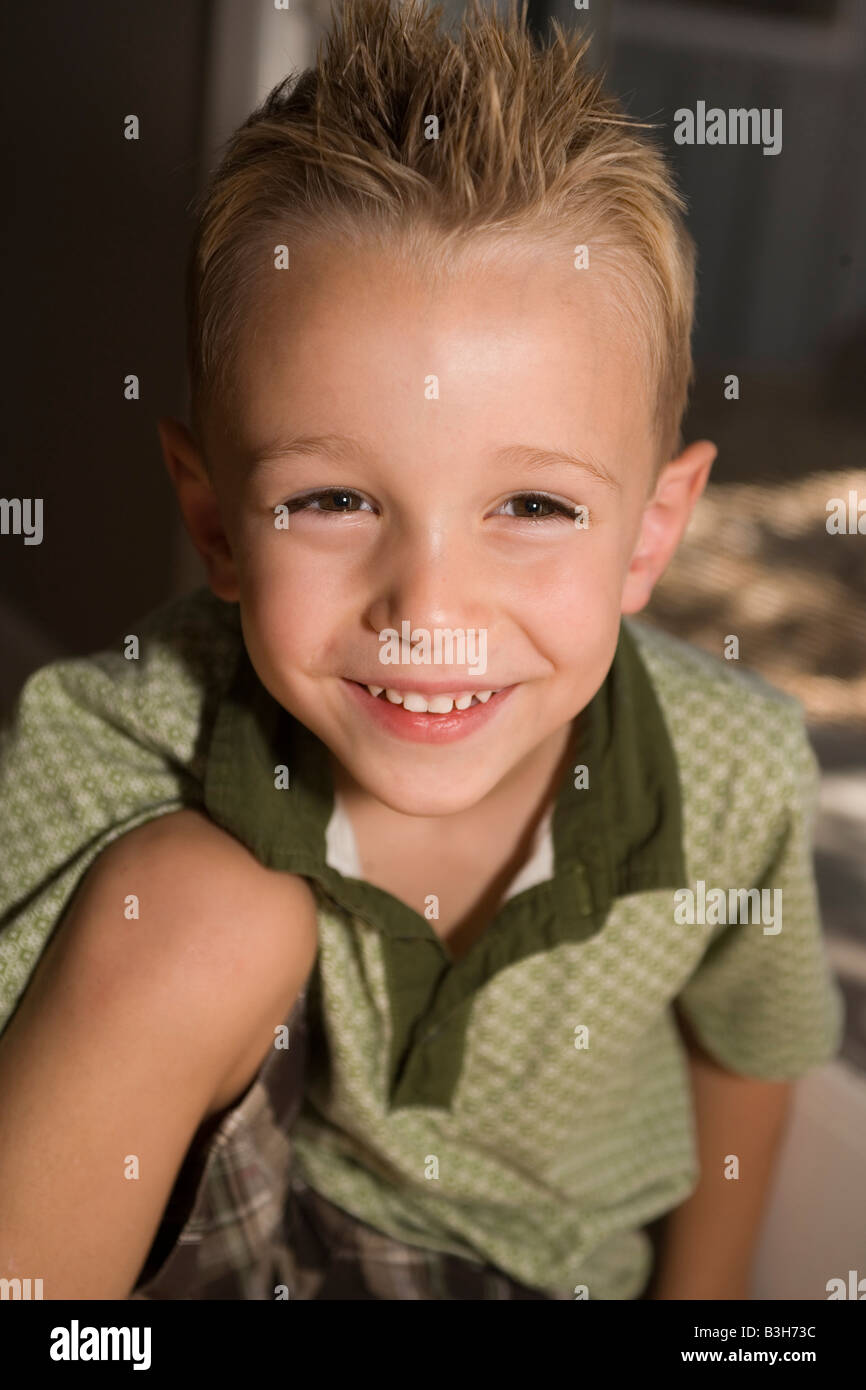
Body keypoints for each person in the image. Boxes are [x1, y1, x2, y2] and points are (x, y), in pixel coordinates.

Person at [0, 0, 843, 1300]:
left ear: (649, 531)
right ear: (216, 522)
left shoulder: (730, 768)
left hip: (539, 1274)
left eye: (533, 505)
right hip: (224, 1225)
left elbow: (751, 1050)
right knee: (194, 909)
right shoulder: (118, 725)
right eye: (333, 500)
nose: (428, 603)